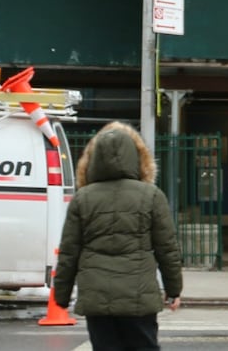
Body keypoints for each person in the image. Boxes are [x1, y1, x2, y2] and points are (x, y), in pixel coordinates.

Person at [52, 121, 184, 351]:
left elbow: (69, 252)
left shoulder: (83, 199)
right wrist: (174, 290)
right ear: (137, 158)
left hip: (97, 298)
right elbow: (167, 248)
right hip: (139, 297)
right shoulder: (151, 196)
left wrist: (61, 297)